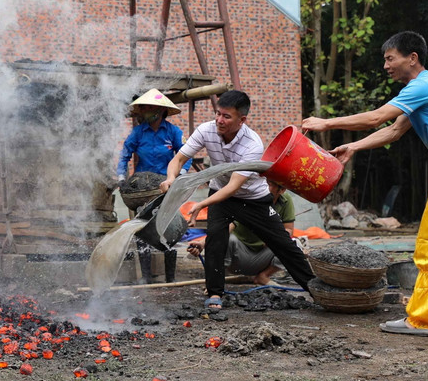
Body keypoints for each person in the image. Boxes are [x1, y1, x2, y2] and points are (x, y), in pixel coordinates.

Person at [302, 31, 428, 337]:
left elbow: (375, 118)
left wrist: (326, 122)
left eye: (390, 58)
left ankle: (422, 319)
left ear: (412, 58)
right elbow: (393, 130)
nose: (386, 66)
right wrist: (354, 147)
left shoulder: (422, 86)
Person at [161, 90, 315, 310]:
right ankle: (215, 293)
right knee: (215, 240)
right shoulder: (206, 130)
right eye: (218, 114)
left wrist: (201, 204)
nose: (219, 120)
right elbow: (179, 159)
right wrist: (170, 179)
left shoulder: (253, 144)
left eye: (226, 116)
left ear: (242, 120)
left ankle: (315, 288)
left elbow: (233, 187)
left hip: (253, 198)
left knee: (283, 243)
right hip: (219, 194)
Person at [116, 88, 190, 283]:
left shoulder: (173, 132)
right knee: (143, 229)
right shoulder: (138, 133)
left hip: (166, 187)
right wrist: (121, 177)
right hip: (142, 190)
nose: (145, 111)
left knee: (169, 227)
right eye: (144, 108)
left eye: (149, 107)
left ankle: (170, 279)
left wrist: (180, 176)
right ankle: (146, 278)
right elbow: (124, 155)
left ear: (160, 110)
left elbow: (186, 156)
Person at [187, 180, 297, 285]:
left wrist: (273, 239)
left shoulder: (285, 200)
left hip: (263, 256)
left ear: (282, 190)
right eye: (264, 182)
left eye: (269, 184)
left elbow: (289, 230)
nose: (264, 186)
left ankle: (263, 276)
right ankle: (216, 281)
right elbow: (228, 226)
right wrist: (203, 243)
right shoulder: (253, 197)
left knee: (294, 244)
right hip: (239, 255)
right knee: (227, 238)